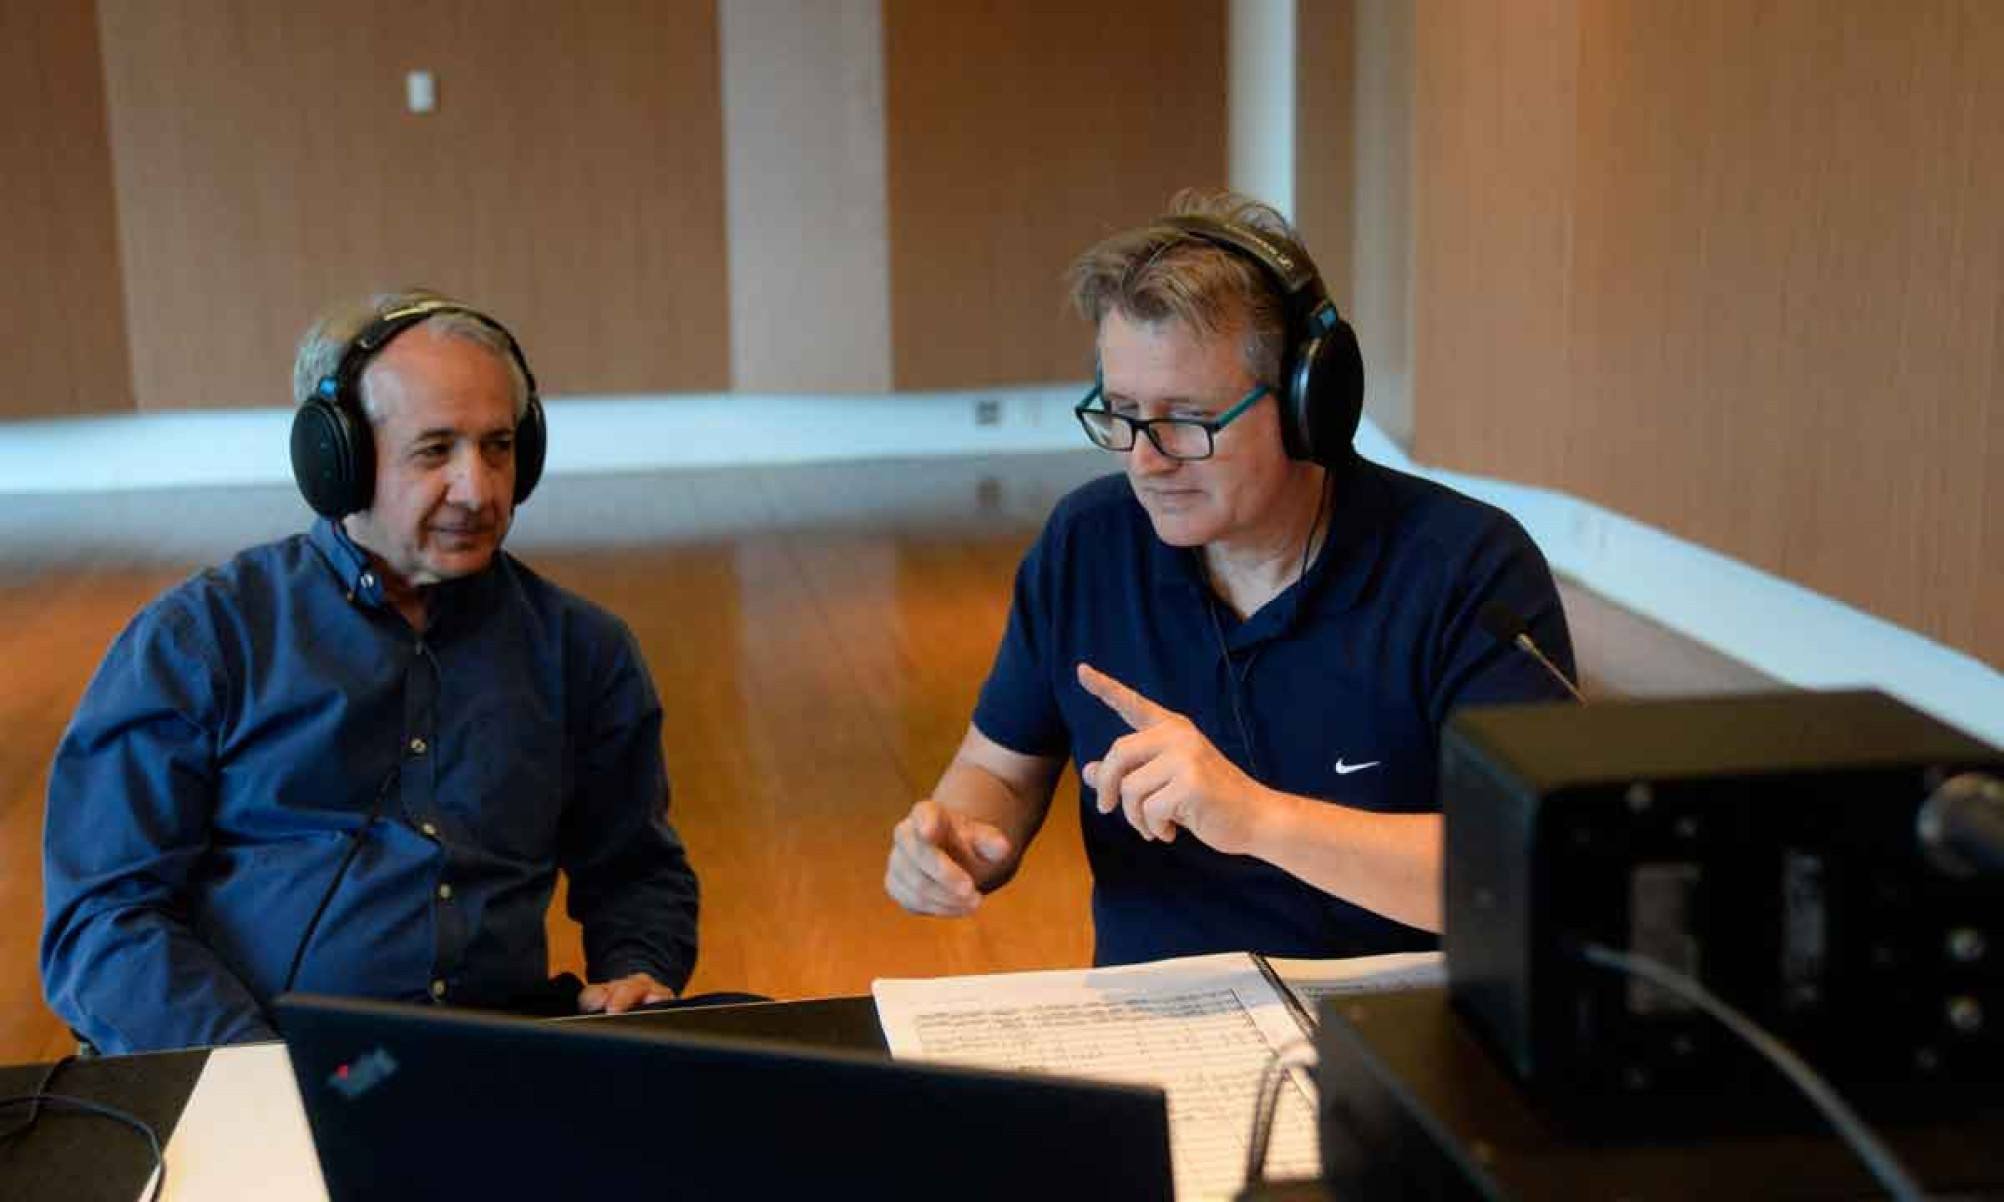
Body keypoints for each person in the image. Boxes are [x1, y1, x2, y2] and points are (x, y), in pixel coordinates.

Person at [884, 191, 1575, 964]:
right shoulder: (1087, 543)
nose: (1146, 458)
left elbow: (1529, 871)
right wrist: (963, 836)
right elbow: (995, 771)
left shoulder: (1465, 568)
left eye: (1187, 418)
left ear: (1310, 404)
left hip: (1394, 1028)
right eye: (1120, 411)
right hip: (1158, 1025)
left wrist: (1257, 818)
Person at [41, 290, 699, 1054]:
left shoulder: (584, 650)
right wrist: (254, 1071)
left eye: (497, 447)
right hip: (247, 1060)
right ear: (336, 462)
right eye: (434, 450)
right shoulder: (199, 641)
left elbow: (636, 869)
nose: (478, 489)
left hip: (496, 1055)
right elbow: (102, 922)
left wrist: (637, 969)